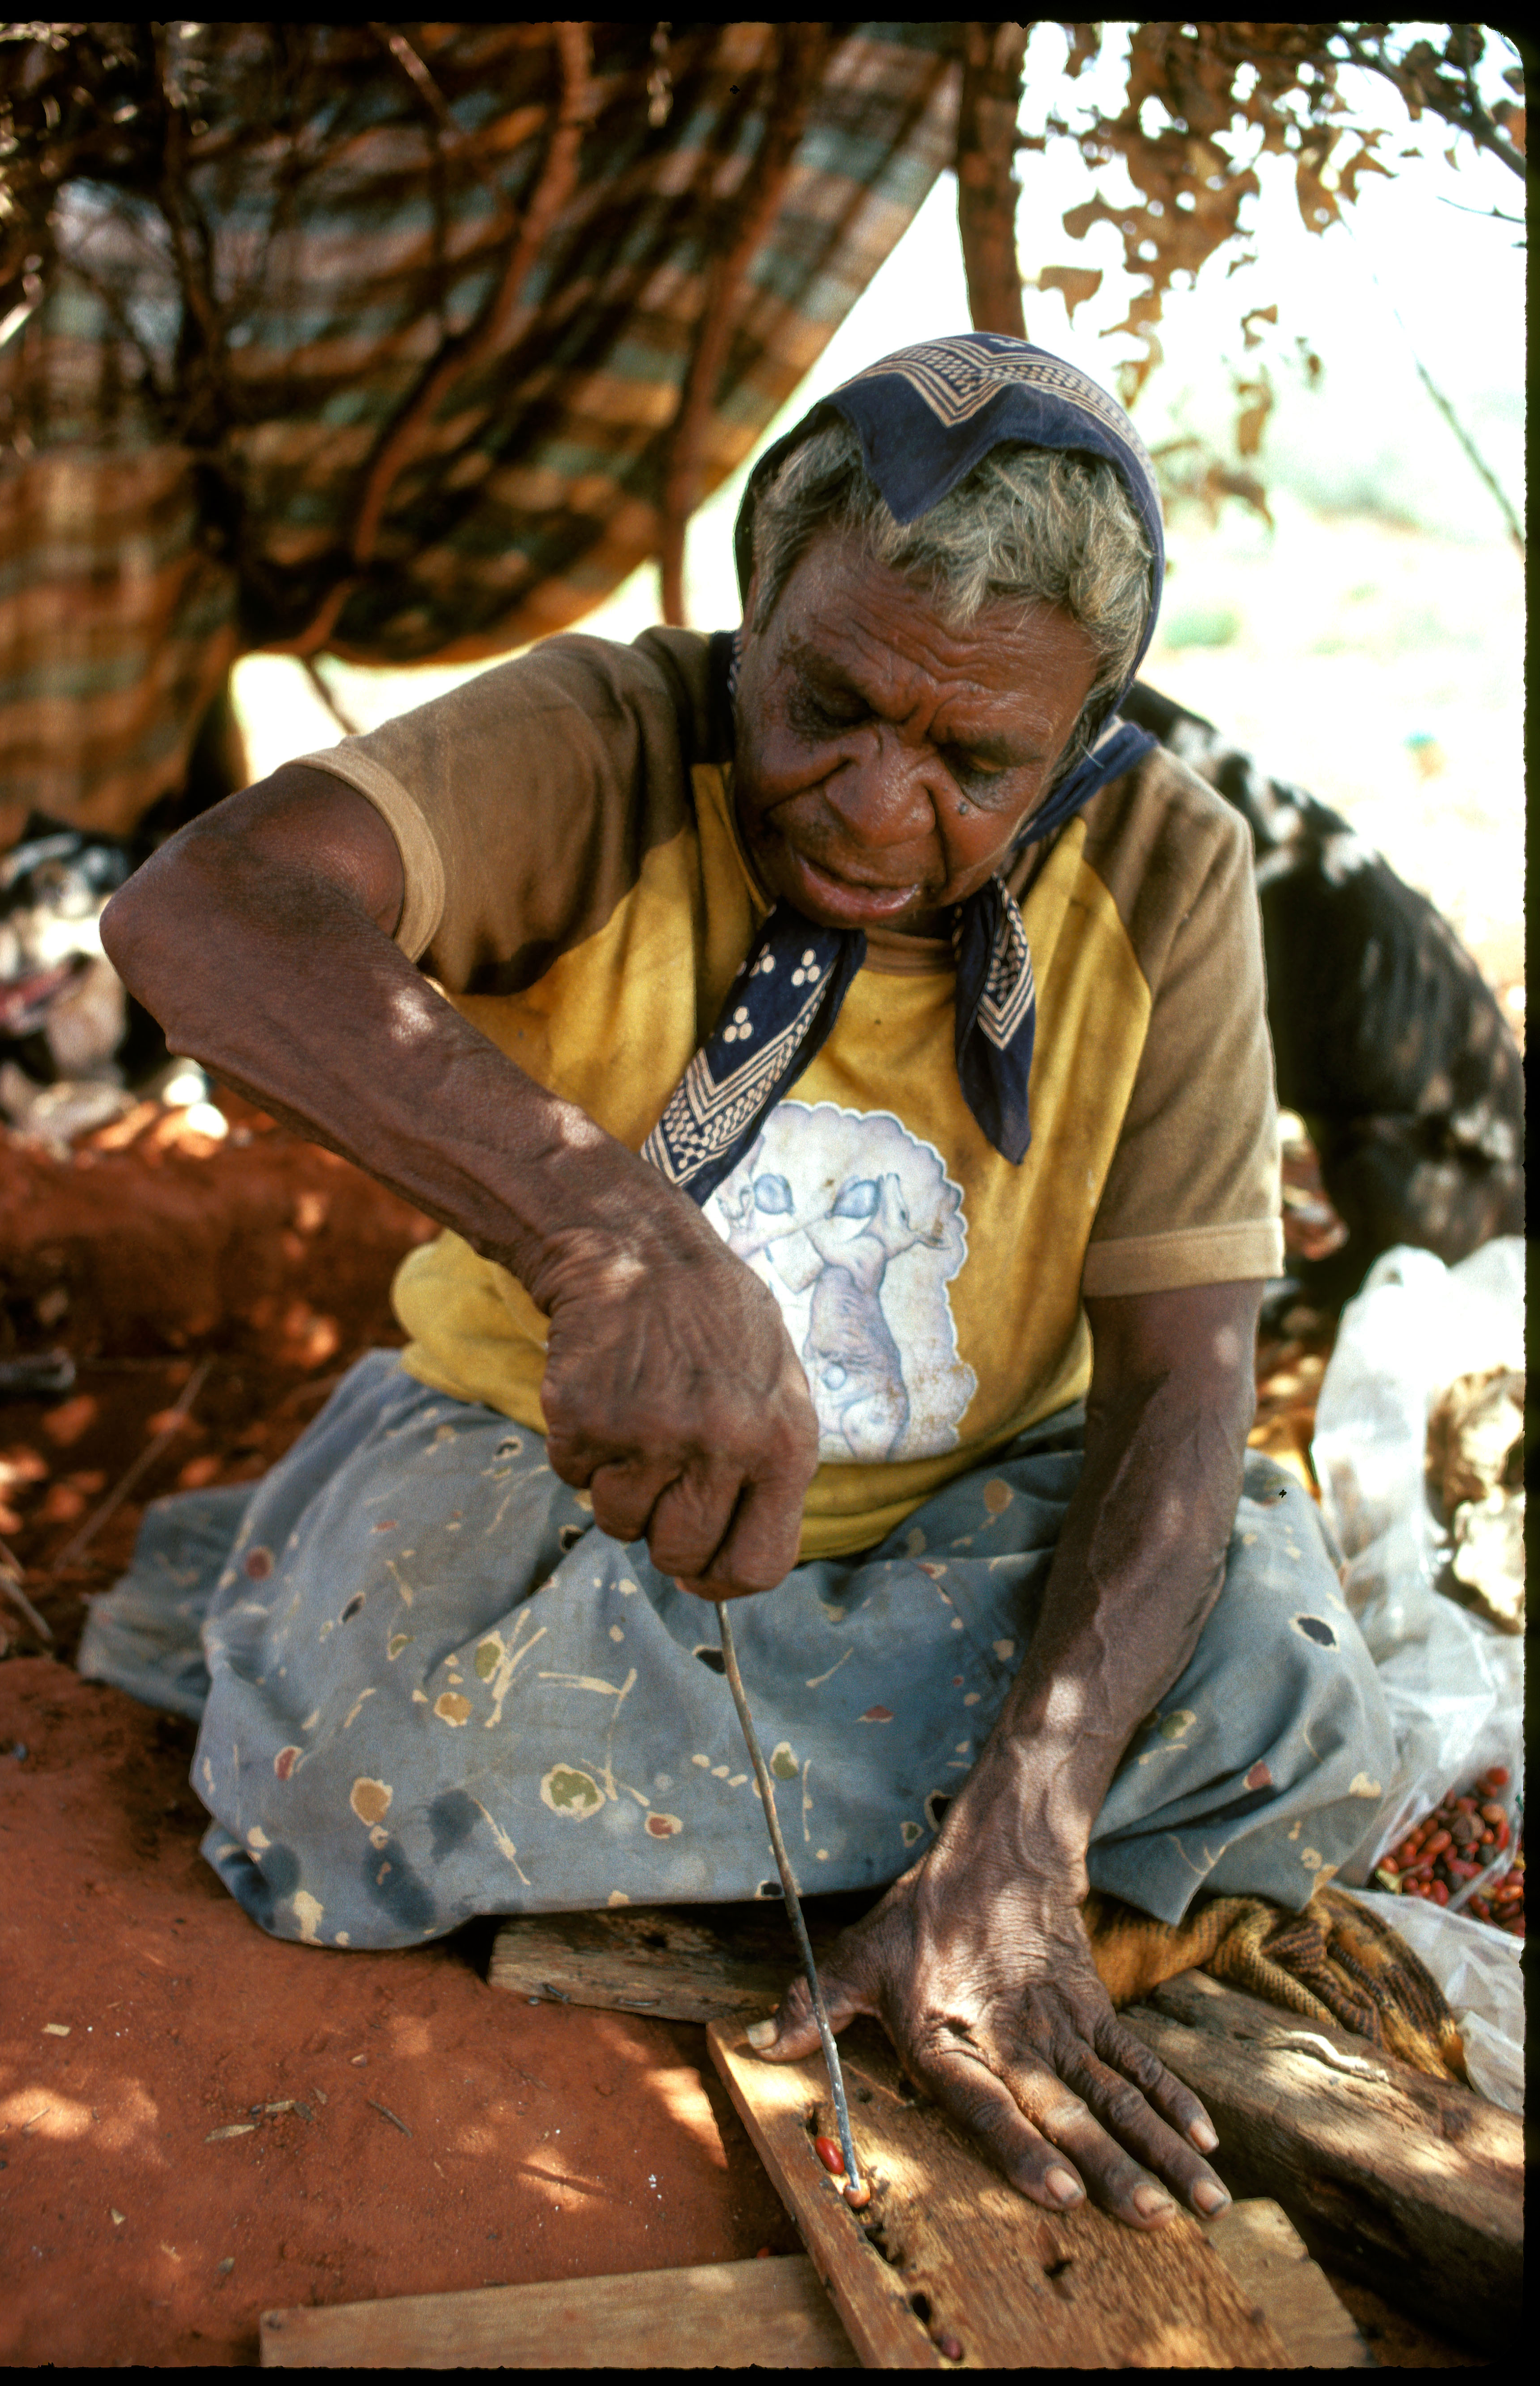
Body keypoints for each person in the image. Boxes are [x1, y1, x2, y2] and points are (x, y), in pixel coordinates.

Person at [86, 334, 1394, 2236]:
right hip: (549, 1498)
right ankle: (891, 1863)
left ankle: (920, 1869)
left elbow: (1186, 1387)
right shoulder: (604, 740)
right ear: (748, 611)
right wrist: (601, 1231)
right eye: (826, 704)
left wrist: (1026, 1818)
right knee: (323, 1786)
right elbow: (200, 907)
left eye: (971, 762)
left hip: (975, 1532)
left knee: (1290, 1681)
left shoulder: (1170, 867)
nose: (874, 807)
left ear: (1087, 720)